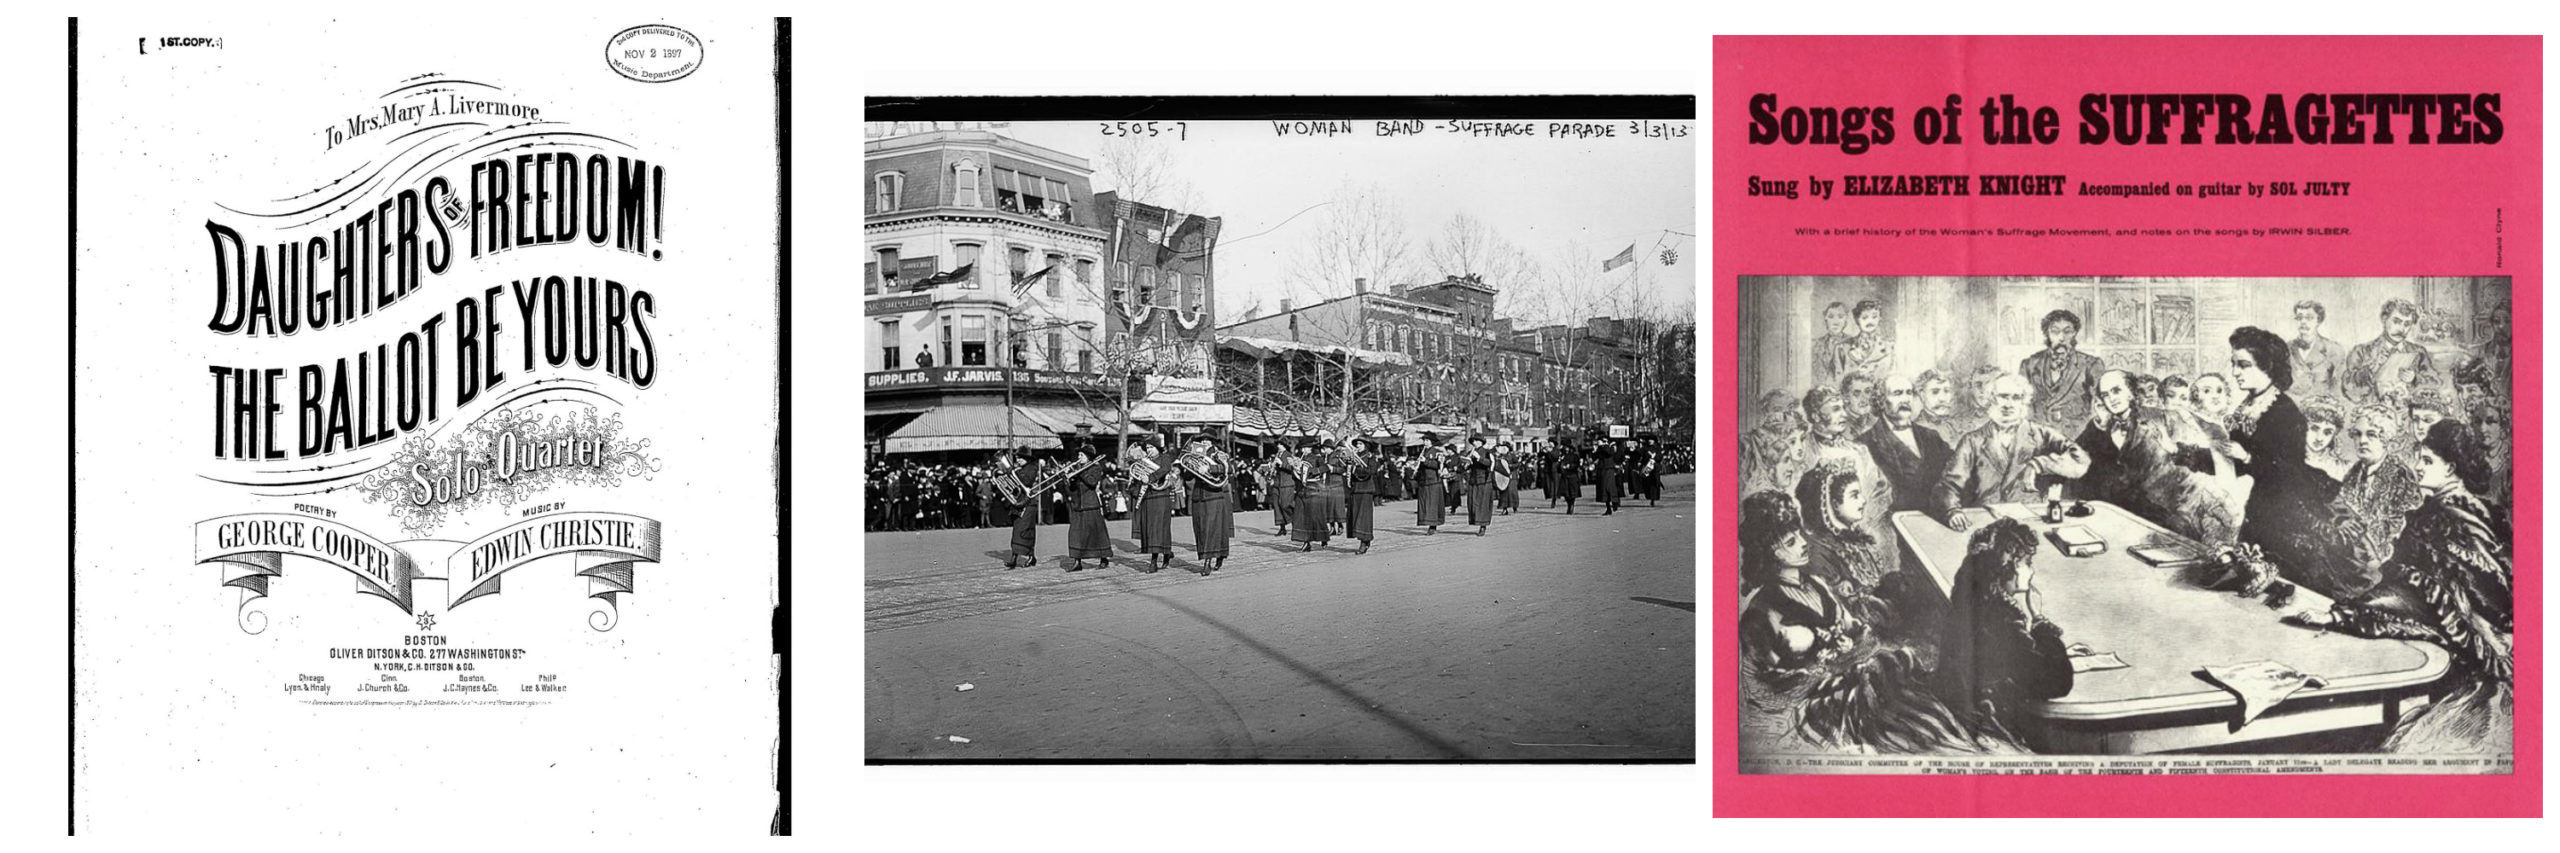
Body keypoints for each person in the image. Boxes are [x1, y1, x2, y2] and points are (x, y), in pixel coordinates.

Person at [2289, 420, 2512, 753]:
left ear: (2450, 468)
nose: (2418, 468)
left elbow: (2427, 595)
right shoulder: (2469, 510)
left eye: (2426, 461)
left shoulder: (2447, 518)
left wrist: (2343, 616)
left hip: (2473, 656)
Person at [1936, 518, 2087, 742]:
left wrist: (2044, 648)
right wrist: (2040, 622)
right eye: (2028, 561)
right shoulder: (2003, 617)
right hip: (1986, 721)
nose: (2032, 571)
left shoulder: (1975, 595)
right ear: (2013, 565)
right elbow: (2056, 681)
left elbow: (2019, 653)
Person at [2224, 326, 2330, 585]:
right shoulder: (2248, 406)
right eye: (2234, 364)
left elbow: (2290, 473)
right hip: (2253, 508)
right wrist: (2186, 454)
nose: (2235, 372)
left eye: (2244, 365)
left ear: (2267, 366)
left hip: (2281, 517)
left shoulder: (2284, 413)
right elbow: (2232, 461)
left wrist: (2248, 459)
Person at [1934, 373, 2090, 529]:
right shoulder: (1972, 440)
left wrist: (2038, 465)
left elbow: (2081, 460)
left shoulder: (2040, 434)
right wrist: (1952, 511)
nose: (2008, 404)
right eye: (2003, 396)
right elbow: (1948, 485)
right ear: (1991, 399)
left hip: (2031, 521)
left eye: (2016, 397)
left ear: (2024, 402)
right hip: (1986, 522)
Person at [2314, 405, 2425, 600]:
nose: (2362, 441)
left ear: (2386, 438)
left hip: (2384, 572)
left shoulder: (2401, 477)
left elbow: (2398, 535)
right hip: (2352, 562)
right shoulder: (2355, 472)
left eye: (2371, 435)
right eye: (2357, 435)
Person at [1862, 373, 1953, 514]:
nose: (1905, 399)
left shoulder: (1931, 437)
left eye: (1909, 393)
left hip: (1938, 520)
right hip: (1895, 524)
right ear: (1881, 401)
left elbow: (1956, 474)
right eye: (1897, 393)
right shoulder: (1865, 444)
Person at [1796, 463, 1887, 593]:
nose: (1863, 501)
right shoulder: (1820, 551)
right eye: (1854, 495)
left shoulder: (1857, 540)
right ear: (1835, 505)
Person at [2020, 310, 2106, 431]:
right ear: (2047, 334)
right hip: (2040, 436)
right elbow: (2021, 404)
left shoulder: (2091, 364)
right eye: (2055, 332)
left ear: (2074, 333)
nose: (2061, 338)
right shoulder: (2029, 365)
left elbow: (2102, 403)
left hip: (2078, 437)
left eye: (2067, 332)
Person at [2344, 298, 2437, 404]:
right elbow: (2349, 390)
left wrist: (2415, 379)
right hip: (2374, 412)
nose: (2401, 329)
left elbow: (2435, 383)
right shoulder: (2362, 351)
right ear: (2384, 319)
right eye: (2396, 322)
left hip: (2408, 413)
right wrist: (2369, 372)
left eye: (2407, 324)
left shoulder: (2418, 352)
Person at [1181, 435, 1234, 571]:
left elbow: (1230, 469)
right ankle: (1210, 556)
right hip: (1199, 496)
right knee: (1201, 529)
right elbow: (1187, 476)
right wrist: (1187, 466)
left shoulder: (1218, 454)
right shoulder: (1196, 454)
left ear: (1212, 442)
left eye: (1207, 440)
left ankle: (1208, 562)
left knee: (1211, 529)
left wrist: (1210, 469)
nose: (1203, 443)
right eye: (1202, 440)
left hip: (1213, 495)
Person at [1131, 437, 1181, 572]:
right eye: (1147, 448)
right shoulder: (1144, 461)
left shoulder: (1164, 457)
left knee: (1158, 528)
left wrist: (1150, 477)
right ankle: (1166, 552)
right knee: (1151, 528)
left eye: (1151, 448)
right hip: (1148, 497)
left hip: (1161, 497)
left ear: (1158, 448)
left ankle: (1153, 562)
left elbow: (1165, 469)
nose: (1149, 450)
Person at [1064, 444, 1113, 571]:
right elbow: (1072, 489)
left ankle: (1103, 558)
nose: (1078, 458)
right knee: (1076, 534)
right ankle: (1077, 561)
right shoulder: (1078, 469)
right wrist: (1068, 478)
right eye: (1078, 455)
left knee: (1097, 533)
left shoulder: (1096, 468)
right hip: (1078, 505)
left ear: (1088, 457)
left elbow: (1091, 482)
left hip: (1091, 505)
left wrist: (1079, 472)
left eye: (1081, 455)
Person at [2291, 299, 2350, 400]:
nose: (2303, 322)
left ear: (2319, 321)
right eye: (2299, 318)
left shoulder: (2334, 350)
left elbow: (2338, 391)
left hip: (2321, 409)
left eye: (2309, 318)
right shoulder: (2285, 349)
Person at [1000, 449, 1042, 569]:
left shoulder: (1032, 468)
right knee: (1017, 530)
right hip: (1019, 502)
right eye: (1017, 458)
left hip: (1028, 503)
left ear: (1027, 459)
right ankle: (1014, 557)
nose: (1017, 460)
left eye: (1020, 458)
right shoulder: (1019, 469)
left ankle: (1031, 556)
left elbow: (1027, 481)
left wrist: (1013, 473)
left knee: (1025, 530)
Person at [1292, 444, 1335, 551]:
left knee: (1316, 517)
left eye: (1305, 448)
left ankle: (1323, 537)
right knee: (1300, 516)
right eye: (1302, 448)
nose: (1303, 450)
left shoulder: (1317, 458)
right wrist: (1295, 469)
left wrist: (1313, 471)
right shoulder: (1299, 459)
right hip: (1301, 490)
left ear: (1310, 448)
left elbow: (1325, 468)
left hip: (1314, 488)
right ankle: (1306, 542)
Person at [1344, 439, 1382, 554]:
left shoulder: (1370, 456)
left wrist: (1357, 469)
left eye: (1360, 444)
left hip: (1366, 489)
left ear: (1366, 446)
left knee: (1363, 517)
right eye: (1357, 444)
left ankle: (1364, 541)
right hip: (1356, 489)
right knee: (1355, 516)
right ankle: (1363, 539)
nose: (1358, 446)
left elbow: (1372, 470)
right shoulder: (1355, 455)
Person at [1811, 301, 1852, 389]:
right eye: (1831, 317)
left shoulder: (1853, 343)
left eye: (1840, 317)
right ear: (1825, 319)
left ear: (1846, 320)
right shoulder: (1816, 345)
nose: (1835, 322)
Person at [1463, 437, 1497, 535]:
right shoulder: (1471, 452)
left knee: (1483, 504)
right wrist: (1466, 463)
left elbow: (1490, 464)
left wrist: (1479, 458)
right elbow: (1466, 466)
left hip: (1484, 481)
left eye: (1477, 441)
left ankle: (1483, 525)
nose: (1475, 443)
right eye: (1473, 441)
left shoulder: (1487, 452)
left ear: (1481, 442)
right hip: (1474, 480)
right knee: (1474, 503)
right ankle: (1476, 521)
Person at [1266, 446, 1301, 536]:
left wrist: (1281, 464)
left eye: (1280, 445)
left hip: (1287, 483)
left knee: (1286, 505)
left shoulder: (1289, 455)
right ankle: (1282, 527)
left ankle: (1295, 525)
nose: (1278, 446)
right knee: (1276, 505)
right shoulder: (1276, 455)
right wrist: (1271, 468)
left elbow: (1293, 468)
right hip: (1277, 483)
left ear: (1284, 446)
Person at [1415, 444, 1449, 533]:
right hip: (1424, 481)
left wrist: (1425, 461)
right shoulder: (1423, 452)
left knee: (1433, 504)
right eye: (1424, 441)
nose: (1425, 443)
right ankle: (1426, 521)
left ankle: (1433, 525)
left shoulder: (1437, 452)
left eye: (1427, 440)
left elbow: (1438, 465)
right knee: (1425, 504)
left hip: (1433, 481)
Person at [1549, 439, 1584, 514]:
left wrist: (1570, 466)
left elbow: (1576, 465)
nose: (1565, 449)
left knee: (1572, 493)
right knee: (1565, 493)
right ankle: (1569, 504)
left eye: (1566, 447)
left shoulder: (1575, 455)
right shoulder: (1562, 456)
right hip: (1564, 476)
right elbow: (1558, 466)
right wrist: (1559, 464)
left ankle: (1571, 505)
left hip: (1572, 475)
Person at [1594, 440, 1623, 515]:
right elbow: (1595, 457)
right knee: (1603, 489)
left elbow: (1609, 453)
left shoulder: (1610, 447)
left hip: (1609, 469)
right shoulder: (1600, 448)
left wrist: (1605, 445)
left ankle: (1615, 501)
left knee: (1609, 487)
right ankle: (1608, 508)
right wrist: (1595, 450)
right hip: (1602, 469)